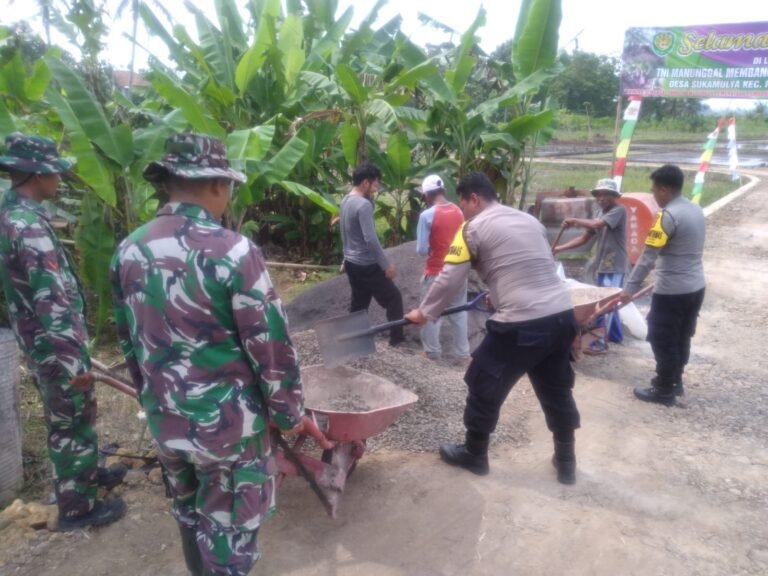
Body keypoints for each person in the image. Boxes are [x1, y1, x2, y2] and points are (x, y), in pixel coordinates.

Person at [110, 133, 305, 576]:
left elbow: (129, 341)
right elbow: (270, 346)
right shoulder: (232, 251)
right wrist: (289, 414)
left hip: (166, 421)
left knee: (189, 514)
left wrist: (152, 400)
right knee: (228, 534)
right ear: (218, 185)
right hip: (227, 432)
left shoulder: (128, 250)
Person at [405, 172, 581, 484]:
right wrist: (497, 291)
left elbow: (449, 278)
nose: (463, 211)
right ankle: (566, 461)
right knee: (556, 388)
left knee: (483, 381)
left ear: (474, 198)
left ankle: (474, 453)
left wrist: (425, 312)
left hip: (520, 323)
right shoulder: (530, 221)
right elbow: (530, 264)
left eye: (464, 204)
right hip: (562, 316)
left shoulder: (472, 228)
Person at [0, 133, 126, 530]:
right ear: (37, 175)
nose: (61, 180)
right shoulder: (28, 227)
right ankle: (78, 508)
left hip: (40, 343)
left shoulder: (13, 213)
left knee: (73, 417)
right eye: (55, 173)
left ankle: (85, 475)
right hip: (55, 346)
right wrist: (74, 360)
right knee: (70, 420)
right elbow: (51, 300)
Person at [621, 164, 705, 406]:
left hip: (672, 291)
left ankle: (664, 390)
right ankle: (675, 382)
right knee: (682, 336)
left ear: (665, 190)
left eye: (654, 190)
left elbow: (648, 256)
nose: (654, 195)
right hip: (696, 287)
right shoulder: (695, 209)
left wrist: (630, 288)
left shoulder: (666, 216)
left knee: (662, 336)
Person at [554, 177, 628, 350]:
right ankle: (615, 336)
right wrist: (559, 248)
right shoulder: (598, 212)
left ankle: (602, 339)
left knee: (607, 302)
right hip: (603, 263)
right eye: (598, 195)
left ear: (614, 196)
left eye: (605, 195)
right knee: (607, 300)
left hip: (614, 264)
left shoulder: (619, 210)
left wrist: (575, 220)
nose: (601, 198)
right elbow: (584, 238)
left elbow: (598, 224)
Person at [339, 162, 404, 346]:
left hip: (351, 262)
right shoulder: (363, 205)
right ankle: (396, 341)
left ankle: (353, 341)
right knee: (394, 299)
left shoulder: (346, 201)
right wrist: (386, 265)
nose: (376, 189)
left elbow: (346, 232)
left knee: (359, 304)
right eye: (375, 184)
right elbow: (371, 239)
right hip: (367, 264)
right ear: (365, 183)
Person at [415, 174, 469, 363]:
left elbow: (421, 250)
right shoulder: (459, 211)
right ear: (444, 191)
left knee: (429, 311)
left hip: (436, 270)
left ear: (427, 195)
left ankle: (432, 353)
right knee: (459, 313)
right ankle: (463, 356)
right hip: (459, 269)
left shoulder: (426, 216)